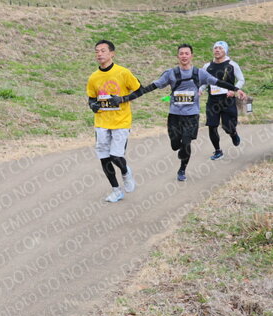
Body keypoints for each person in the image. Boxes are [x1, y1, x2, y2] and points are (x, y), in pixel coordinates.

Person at [109, 44, 246, 182]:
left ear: (191, 56)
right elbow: (151, 87)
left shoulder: (200, 73)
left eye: (187, 53)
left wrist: (236, 89)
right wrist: (124, 98)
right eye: (181, 53)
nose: (184, 56)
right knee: (175, 145)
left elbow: (219, 82)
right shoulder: (171, 73)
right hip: (174, 115)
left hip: (191, 115)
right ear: (178, 56)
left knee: (186, 143)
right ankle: (181, 150)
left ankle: (182, 170)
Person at [86, 40, 142, 203]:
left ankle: (125, 171)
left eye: (103, 51)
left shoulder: (123, 73)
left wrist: (123, 99)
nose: (99, 54)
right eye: (97, 51)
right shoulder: (93, 77)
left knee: (116, 156)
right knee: (104, 157)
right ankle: (116, 190)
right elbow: (91, 98)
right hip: (101, 122)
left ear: (112, 53)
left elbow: (139, 90)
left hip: (121, 122)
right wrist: (93, 105)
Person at [201, 41, 245, 160]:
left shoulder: (232, 65)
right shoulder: (207, 66)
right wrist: (200, 90)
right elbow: (204, 82)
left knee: (227, 127)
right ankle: (218, 151)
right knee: (212, 126)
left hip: (227, 100)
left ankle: (233, 134)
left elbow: (241, 80)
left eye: (220, 48)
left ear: (225, 51)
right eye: (215, 48)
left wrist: (234, 90)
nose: (217, 50)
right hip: (212, 101)